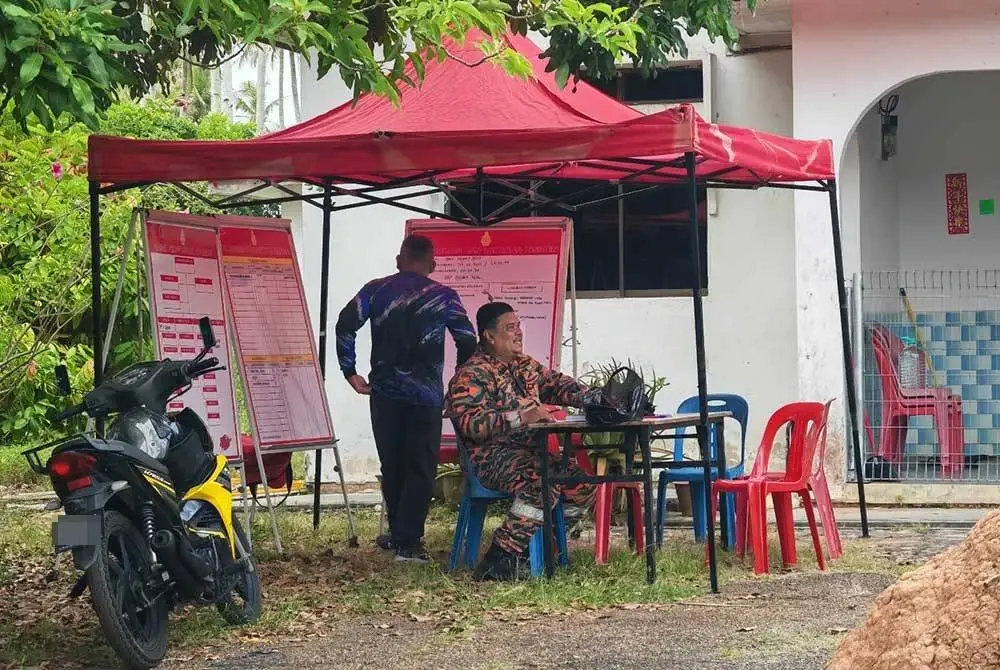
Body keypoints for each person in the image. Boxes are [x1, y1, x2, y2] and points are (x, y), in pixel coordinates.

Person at [336, 234, 477, 562]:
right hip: (425, 396)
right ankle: (408, 542)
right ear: (433, 263)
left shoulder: (375, 289)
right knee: (420, 466)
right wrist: (455, 383)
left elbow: (345, 324)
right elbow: (467, 340)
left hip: (383, 393)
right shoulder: (444, 296)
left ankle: (401, 535)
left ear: (399, 260)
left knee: (393, 463)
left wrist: (349, 371)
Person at [447, 301, 601, 580]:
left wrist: (597, 399)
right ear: (489, 336)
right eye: (509, 328)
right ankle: (500, 558)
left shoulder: (524, 366)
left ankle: (538, 550)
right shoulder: (472, 374)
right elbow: (470, 424)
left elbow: (559, 385)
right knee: (540, 481)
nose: (518, 333)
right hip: (491, 457)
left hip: (529, 452)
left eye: (519, 327)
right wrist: (519, 417)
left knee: (580, 484)